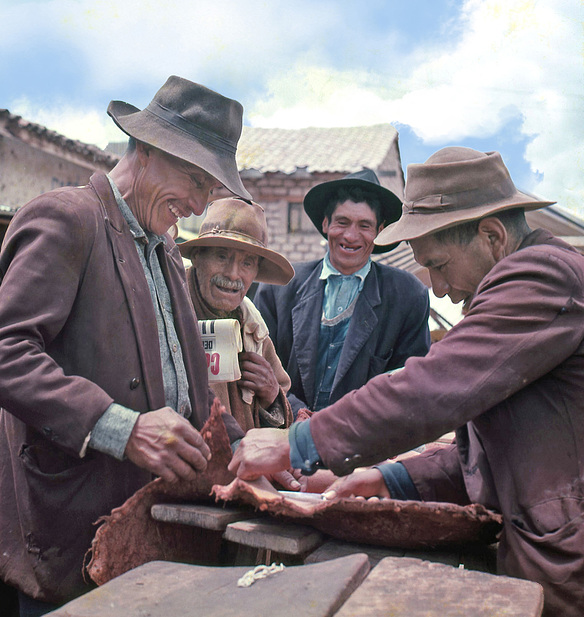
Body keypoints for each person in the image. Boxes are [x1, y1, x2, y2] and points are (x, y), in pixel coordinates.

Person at [229, 147, 584, 617]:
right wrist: (386, 476)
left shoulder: (542, 275)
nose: (436, 287)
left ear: (493, 236)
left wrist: (297, 442)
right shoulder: (291, 287)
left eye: (437, 264)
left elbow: (431, 386)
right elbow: (488, 451)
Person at [0, 75, 250, 614]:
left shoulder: (165, 250)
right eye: (193, 179)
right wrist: (122, 428)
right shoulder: (68, 217)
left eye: (209, 190)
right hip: (73, 534)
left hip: (144, 537)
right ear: (144, 150)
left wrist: (243, 448)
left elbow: (188, 385)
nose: (197, 205)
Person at [254, 169, 431, 418]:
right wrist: (294, 410)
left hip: (364, 441)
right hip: (284, 431)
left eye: (365, 225)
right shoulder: (280, 286)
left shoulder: (408, 295)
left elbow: (409, 382)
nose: (350, 236)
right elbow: (259, 363)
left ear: (379, 231)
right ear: (326, 223)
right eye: (342, 222)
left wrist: (343, 426)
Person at [178, 197, 295, 434]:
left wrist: (272, 394)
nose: (233, 275)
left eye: (247, 263)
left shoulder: (252, 326)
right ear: (198, 256)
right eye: (222, 256)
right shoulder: (170, 309)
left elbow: (282, 412)